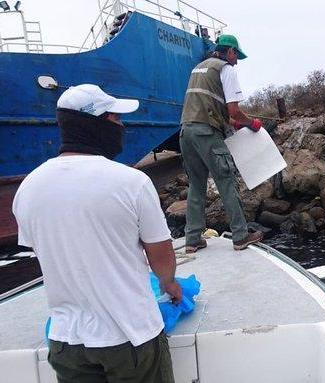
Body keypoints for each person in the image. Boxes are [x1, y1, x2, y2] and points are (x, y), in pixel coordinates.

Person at [12, 84, 181, 383]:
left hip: (67, 343)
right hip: (130, 336)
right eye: (116, 119)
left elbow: (48, 255)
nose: (122, 126)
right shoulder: (131, 182)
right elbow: (161, 255)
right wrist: (169, 284)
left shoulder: (27, 189)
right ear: (95, 124)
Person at [180, 34, 263, 253]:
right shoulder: (226, 69)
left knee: (196, 185)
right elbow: (234, 110)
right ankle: (240, 236)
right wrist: (250, 123)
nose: (236, 61)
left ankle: (192, 239)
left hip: (186, 132)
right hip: (207, 132)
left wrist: (233, 123)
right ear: (231, 52)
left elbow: (213, 106)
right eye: (237, 56)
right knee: (226, 180)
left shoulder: (199, 68)